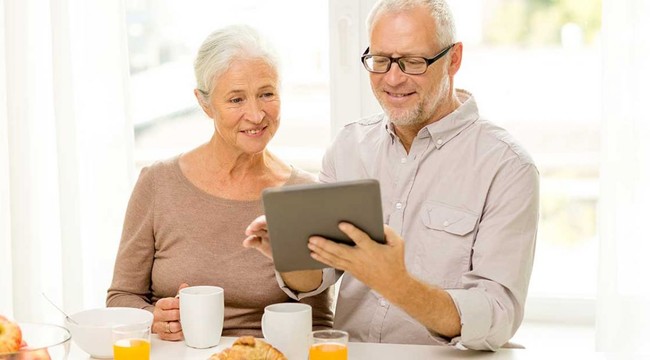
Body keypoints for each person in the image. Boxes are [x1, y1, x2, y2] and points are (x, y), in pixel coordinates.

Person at [244, 0, 539, 351]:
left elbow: (497, 316)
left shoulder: (507, 167)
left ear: (454, 59)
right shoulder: (349, 145)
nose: (393, 79)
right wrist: (289, 253)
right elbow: (317, 276)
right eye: (380, 61)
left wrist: (399, 286)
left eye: (413, 62)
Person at [107, 24, 333, 341]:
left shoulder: (303, 194)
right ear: (204, 103)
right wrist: (154, 319)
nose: (255, 115)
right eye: (236, 99)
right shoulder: (157, 183)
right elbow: (121, 298)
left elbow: (319, 323)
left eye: (267, 94)